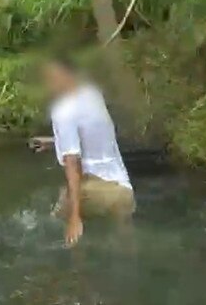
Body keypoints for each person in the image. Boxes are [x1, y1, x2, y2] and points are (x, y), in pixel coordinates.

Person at [31, 55, 135, 247]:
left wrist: (74, 218)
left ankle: (77, 264)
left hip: (100, 193)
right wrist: (55, 142)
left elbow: (72, 162)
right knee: (124, 248)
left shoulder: (62, 110)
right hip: (124, 193)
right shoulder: (92, 94)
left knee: (54, 224)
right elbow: (93, 134)